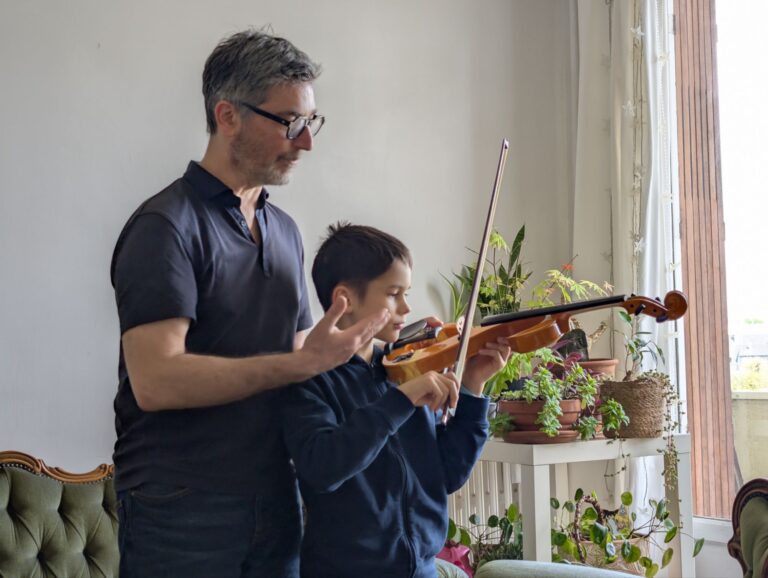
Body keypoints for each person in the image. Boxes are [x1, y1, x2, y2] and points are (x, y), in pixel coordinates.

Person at [109, 30, 391, 578]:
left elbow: (295, 353)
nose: (306, 141)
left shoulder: (283, 230)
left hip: (276, 493)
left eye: (312, 122)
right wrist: (301, 361)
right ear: (228, 115)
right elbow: (157, 380)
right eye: (289, 121)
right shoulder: (164, 226)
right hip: (181, 506)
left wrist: (389, 347)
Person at [280, 223, 512, 578]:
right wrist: (400, 401)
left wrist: (472, 388)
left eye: (406, 293)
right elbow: (323, 468)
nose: (406, 307)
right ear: (346, 300)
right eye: (393, 293)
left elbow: (446, 475)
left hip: (422, 570)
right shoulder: (310, 380)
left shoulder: (406, 367)